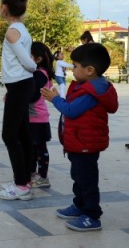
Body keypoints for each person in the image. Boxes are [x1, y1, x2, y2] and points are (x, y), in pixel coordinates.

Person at [41, 43, 118, 232]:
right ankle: (80, 205)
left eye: (75, 66)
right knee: (78, 177)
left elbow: (71, 110)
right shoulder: (86, 85)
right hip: (79, 142)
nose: (71, 69)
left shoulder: (93, 91)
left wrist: (55, 99)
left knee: (87, 180)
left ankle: (92, 215)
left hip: (86, 144)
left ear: (90, 70)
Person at [0, 0, 37, 201]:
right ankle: (26, 179)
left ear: (5, 7)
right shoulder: (21, 28)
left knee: (9, 135)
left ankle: (21, 185)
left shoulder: (12, 31)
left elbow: (29, 64)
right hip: (19, 86)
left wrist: (32, 66)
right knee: (21, 133)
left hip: (21, 85)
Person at [29, 42, 55, 188]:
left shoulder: (40, 74)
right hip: (33, 117)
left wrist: (16, 97)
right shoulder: (39, 73)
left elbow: (32, 95)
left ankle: (43, 177)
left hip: (37, 118)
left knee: (39, 149)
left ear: (38, 59)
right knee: (32, 148)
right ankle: (32, 173)